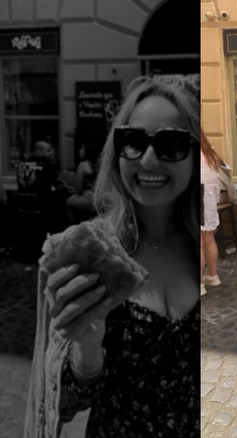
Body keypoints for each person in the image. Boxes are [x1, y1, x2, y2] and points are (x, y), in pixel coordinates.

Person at [24, 75, 200, 437]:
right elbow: (61, 405)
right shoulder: (85, 256)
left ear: (197, 155)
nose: (148, 159)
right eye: (132, 141)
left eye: (171, 144)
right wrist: (87, 351)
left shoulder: (208, 249)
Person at [201, 130, 223, 296]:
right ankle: (212, 275)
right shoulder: (211, 154)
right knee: (209, 239)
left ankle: (199, 283)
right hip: (209, 200)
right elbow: (217, 183)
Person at [65, 144, 99, 224]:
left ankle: (75, 226)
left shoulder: (83, 165)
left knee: (68, 203)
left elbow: (79, 188)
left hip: (89, 198)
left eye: (82, 149)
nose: (79, 151)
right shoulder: (100, 164)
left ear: (87, 152)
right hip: (101, 198)